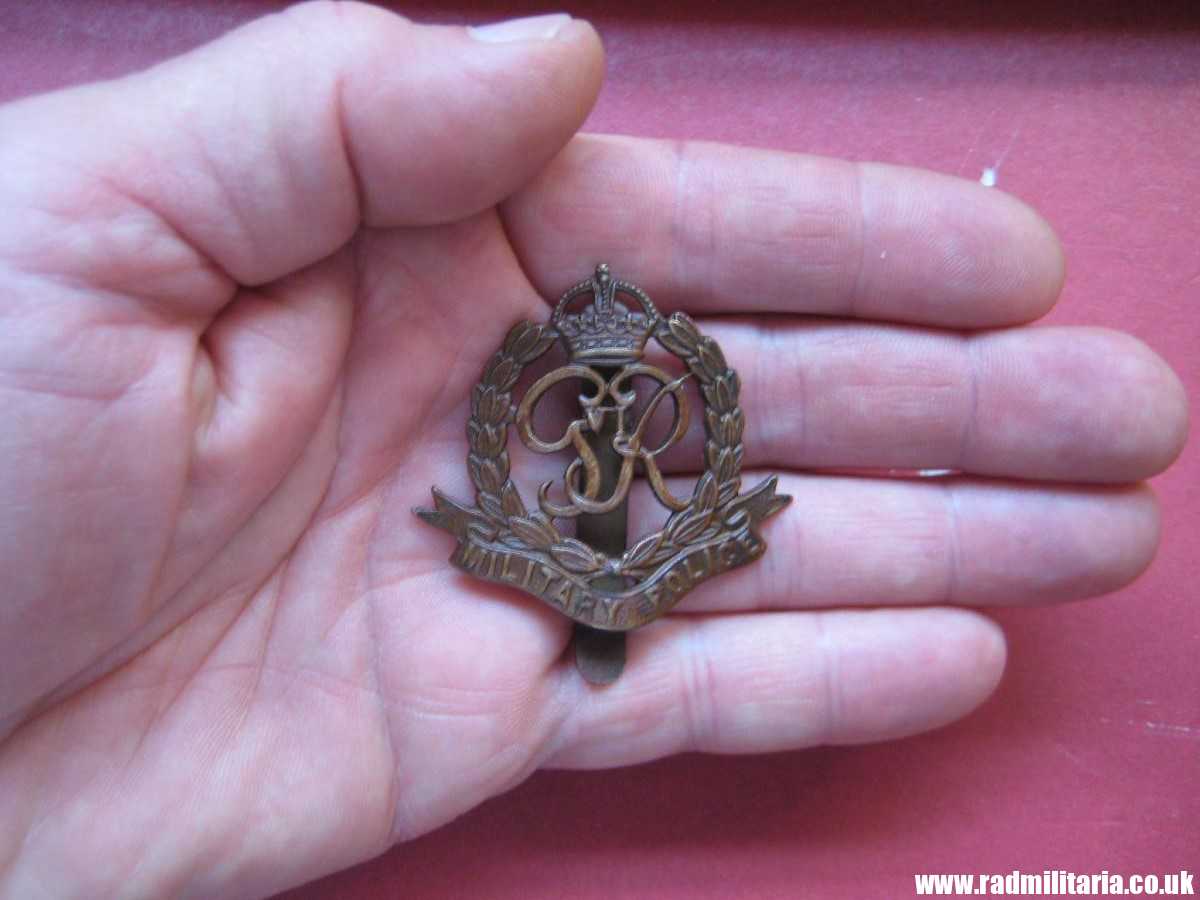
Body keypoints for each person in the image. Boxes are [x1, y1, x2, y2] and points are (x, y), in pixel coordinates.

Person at [0, 5, 1187, 898]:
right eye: (599, 397)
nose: (610, 406)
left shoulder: (616, 431)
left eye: (619, 396)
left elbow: (642, 462)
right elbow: (576, 449)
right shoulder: (568, 430)